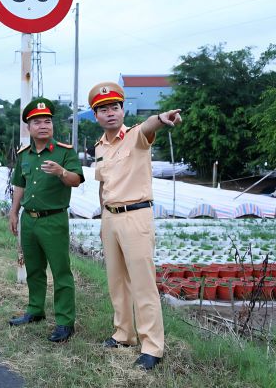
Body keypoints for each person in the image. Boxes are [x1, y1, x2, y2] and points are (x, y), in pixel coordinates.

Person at [89, 81, 182, 371]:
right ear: (96, 116)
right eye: (103, 109)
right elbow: (103, 184)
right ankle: (123, 334)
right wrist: (102, 216)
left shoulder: (135, 136)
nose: (110, 113)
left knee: (143, 283)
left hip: (136, 216)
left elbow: (149, 126)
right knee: (117, 282)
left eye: (115, 107)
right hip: (110, 217)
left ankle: (152, 346)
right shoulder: (99, 147)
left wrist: (162, 118)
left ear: (122, 110)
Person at [7, 98, 83, 343]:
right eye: (37, 122)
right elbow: (20, 183)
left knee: (61, 272)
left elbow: (77, 180)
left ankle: (64, 322)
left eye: (47, 121)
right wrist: (13, 211)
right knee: (34, 269)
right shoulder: (25, 154)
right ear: (28, 127)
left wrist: (61, 171)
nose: (43, 126)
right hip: (29, 220)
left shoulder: (64, 151)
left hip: (53, 220)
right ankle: (35, 310)